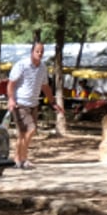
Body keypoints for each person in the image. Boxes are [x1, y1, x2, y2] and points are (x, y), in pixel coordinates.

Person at [6, 41, 64, 170]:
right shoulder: (22, 65)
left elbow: (45, 87)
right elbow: (10, 84)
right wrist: (11, 99)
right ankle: (21, 159)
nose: (40, 53)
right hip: (20, 103)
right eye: (37, 51)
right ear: (32, 52)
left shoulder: (43, 67)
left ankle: (19, 159)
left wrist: (53, 102)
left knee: (23, 134)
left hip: (33, 104)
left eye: (42, 51)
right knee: (30, 130)